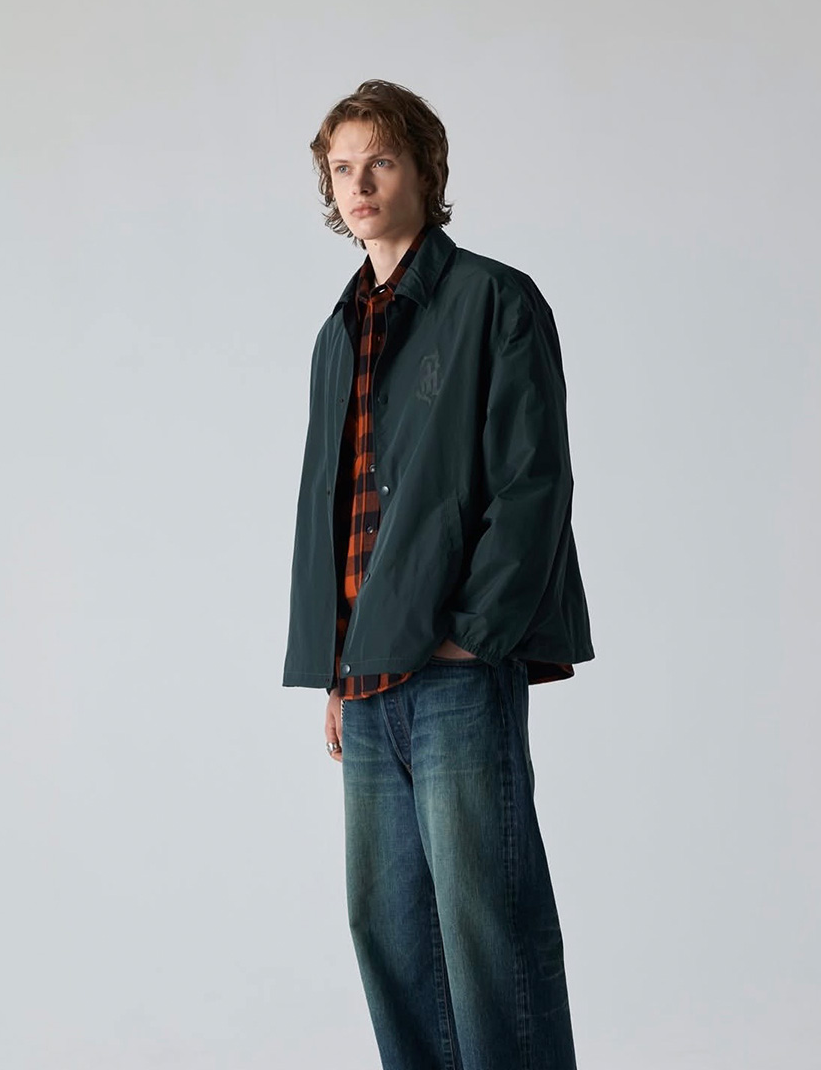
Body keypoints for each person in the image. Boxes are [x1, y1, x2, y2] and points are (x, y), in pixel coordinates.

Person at [282, 78, 595, 1070]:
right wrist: (335, 671)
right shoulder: (339, 332)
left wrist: (476, 634)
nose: (360, 184)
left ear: (425, 169)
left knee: (487, 929)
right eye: (343, 167)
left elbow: (533, 482)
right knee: (389, 935)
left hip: (456, 667)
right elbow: (333, 511)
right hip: (368, 682)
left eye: (380, 160)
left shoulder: (494, 300)